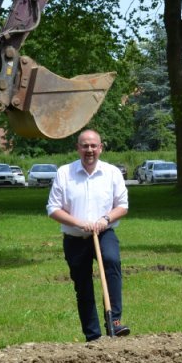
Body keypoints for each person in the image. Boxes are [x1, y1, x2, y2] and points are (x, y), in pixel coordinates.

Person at [46, 129, 130, 340]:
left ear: (100, 148)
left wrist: (105, 220)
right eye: (85, 146)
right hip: (75, 238)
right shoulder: (64, 173)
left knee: (111, 262)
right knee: (82, 285)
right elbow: (53, 208)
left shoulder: (111, 172)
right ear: (78, 148)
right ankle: (92, 335)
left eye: (93, 146)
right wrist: (79, 223)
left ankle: (115, 322)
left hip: (105, 232)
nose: (89, 150)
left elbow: (122, 205)